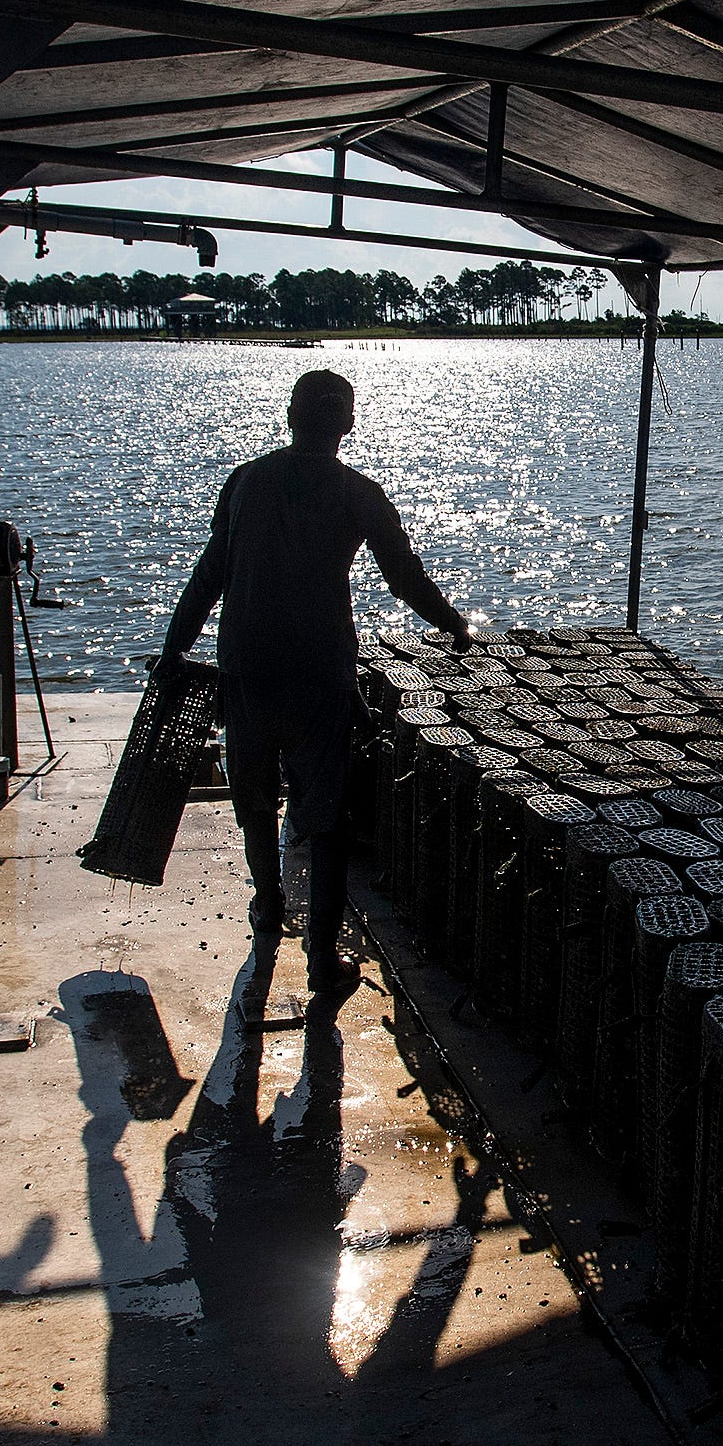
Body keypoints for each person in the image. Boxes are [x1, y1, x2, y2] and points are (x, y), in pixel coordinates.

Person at [159, 369, 467, 1000]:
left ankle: (268, 909)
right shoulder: (358, 492)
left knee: (255, 793)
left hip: (247, 664)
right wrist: (454, 624)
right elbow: (403, 576)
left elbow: (211, 571)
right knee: (324, 816)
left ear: (291, 417)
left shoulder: (246, 481)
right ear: (346, 424)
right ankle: (322, 960)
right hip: (319, 671)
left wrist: (174, 645)